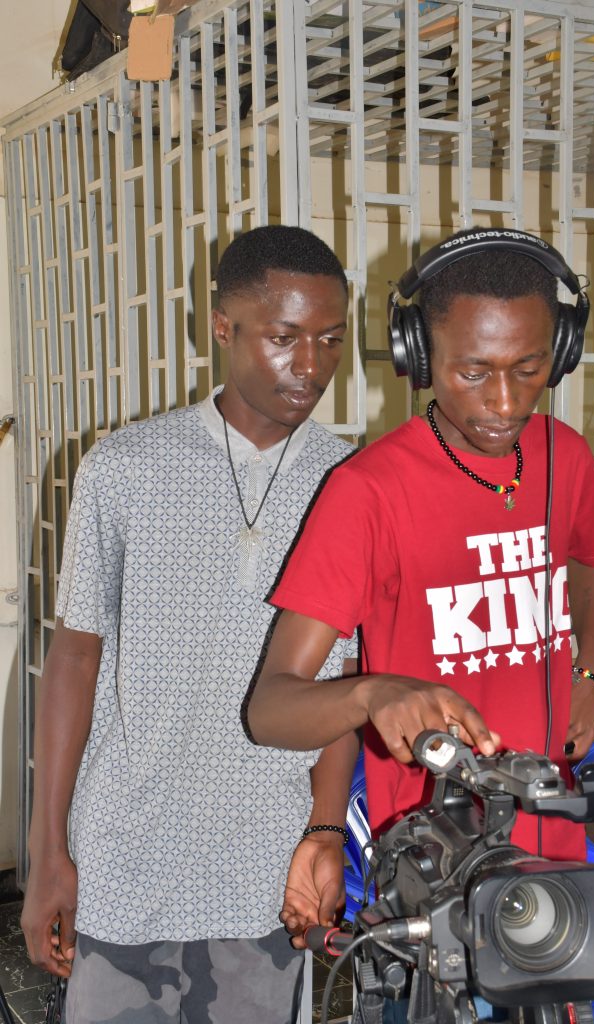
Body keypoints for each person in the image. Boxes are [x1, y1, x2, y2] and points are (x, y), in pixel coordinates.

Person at [20, 224, 359, 1024]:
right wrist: (47, 852)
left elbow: (345, 682)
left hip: (265, 868)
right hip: (125, 849)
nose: (309, 365)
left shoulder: (349, 479)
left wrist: (323, 834)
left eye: (330, 339)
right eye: (283, 337)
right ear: (222, 327)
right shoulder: (126, 466)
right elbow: (74, 659)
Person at [248, 228, 594, 924]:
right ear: (417, 356)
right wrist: (373, 691)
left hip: (557, 855)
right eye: (472, 372)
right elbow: (271, 709)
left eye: (529, 367)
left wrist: (592, 668)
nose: (504, 403)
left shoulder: (564, 457)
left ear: (561, 353)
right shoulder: (366, 491)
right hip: (432, 872)